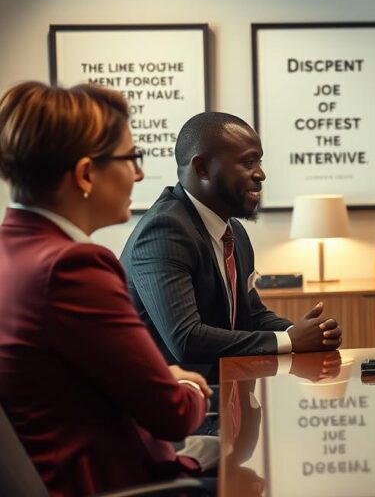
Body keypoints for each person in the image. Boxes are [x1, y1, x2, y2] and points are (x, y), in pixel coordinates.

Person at [0, 81, 211, 497]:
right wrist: (189, 387)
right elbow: (172, 414)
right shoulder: (73, 267)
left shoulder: (12, 251)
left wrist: (165, 380)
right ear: (84, 175)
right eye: (131, 158)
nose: (138, 175)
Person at [121, 112, 341, 384]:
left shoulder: (232, 231)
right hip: (174, 412)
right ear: (202, 168)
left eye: (259, 161)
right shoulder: (165, 231)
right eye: (248, 162)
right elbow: (186, 339)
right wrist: (288, 340)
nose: (260, 174)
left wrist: (304, 333)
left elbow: (253, 315)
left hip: (228, 396)